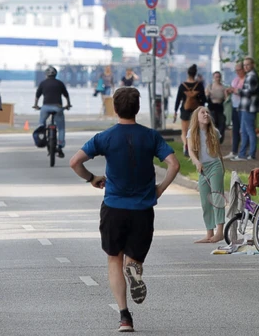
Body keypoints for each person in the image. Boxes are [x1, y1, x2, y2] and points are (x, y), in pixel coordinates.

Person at [69, 87, 179, 332]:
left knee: (113, 259)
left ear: (115, 108)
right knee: (133, 257)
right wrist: (159, 189)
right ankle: (134, 266)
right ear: (138, 109)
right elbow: (174, 163)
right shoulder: (151, 137)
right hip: (143, 209)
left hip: (114, 208)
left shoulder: (105, 137)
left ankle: (124, 317)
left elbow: (75, 162)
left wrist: (91, 178)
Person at [187, 106, 225, 243]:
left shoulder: (214, 132)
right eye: (203, 112)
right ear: (196, 117)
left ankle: (220, 232)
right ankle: (209, 232)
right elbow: (191, 151)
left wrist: (222, 167)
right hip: (202, 167)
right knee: (205, 200)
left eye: (207, 112)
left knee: (217, 197)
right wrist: (197, 162)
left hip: (215, 165)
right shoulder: (192, 133)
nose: (206, 114)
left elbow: (218, 152)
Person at [34, 66, 73, 158]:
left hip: (45, 107)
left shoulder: (43, 83)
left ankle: (42, 132)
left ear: (46, 75)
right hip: (58, 107)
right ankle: (60, 145)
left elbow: (37, 95)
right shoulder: (60, 83)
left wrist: (36, 105)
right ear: (56, 74)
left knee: (41, 123)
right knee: (61, 128)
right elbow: (66, 95)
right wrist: (68, 104)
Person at [174, 64, 206, 152]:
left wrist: (175, 111)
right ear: (195, 74)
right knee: (195, 130)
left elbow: (178, 100)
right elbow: (204, 100)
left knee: (184, 131)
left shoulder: (182, 86)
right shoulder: (199, 85)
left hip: (185, 110)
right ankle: (195, 146)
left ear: (187, 73)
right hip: (197, 110)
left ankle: (186, 145)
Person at [236, 56, 259, 161]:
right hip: (245, 107)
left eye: (248, 65)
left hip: (249, 107)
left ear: (252, 65)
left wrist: (238, 91)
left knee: (250, 131)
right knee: (244, 131)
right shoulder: (249, 75)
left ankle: (251, 154)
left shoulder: (252, 76)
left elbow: (251, 91)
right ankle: (242, 154)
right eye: (244, 65)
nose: (245, 67)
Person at [224, 63, 246, 158]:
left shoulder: (246, 80)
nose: (237, 72)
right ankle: (234, 151)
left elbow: (245, 92)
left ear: (243, 69)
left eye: (239, 70)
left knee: (244, 130)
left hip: (243, 107)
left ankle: (243, 151)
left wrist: (234, 90)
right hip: (234, 106)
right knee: (235, 129)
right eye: (236, 70)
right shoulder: (235, 80)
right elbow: (232, 91)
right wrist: (228, 91)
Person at [206, 71, 228, 144]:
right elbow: (206, 95)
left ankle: (219, 139)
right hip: (212, 107)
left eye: (219, 77)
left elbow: (226, 98)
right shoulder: (210, 86)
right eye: (216, 77)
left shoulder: (223, 87)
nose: (217, 78)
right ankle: (212, 139)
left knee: (221, 124)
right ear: (213, 78)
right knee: (212, 124)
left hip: (220, 107)